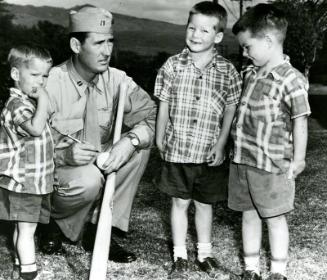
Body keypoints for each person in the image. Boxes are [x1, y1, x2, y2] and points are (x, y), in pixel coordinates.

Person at [39, 6, 157, 263]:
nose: (107, 51)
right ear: (76, 44)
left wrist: (131, 140)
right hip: (62, 170)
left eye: (110, 42)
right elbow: (21, 141)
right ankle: (49, 222)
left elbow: (152, 116)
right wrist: (62, 152)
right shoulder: (49, 83)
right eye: (99, 43)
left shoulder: (118, 81)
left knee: (140, 148)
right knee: (90, 179)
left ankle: (99, 229)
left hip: (98, 160)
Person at [154, 1, 242, 278]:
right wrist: (160, 138)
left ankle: (205, 254)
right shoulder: (172, 66)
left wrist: (221, 144)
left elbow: (230, 110)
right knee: (179, 203)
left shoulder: (228, 71)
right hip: (178, 148)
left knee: (204, 204)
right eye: (191, 28)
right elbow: (164, 105)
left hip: (208, 151)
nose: (195, 35)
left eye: (204, 30)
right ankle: (180, 255)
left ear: (217, 37)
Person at [229, 4, 311, 280]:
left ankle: (277, 272)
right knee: (248, 215)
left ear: (267, 41)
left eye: (247, 46)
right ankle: (250, 270)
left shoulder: (292, 79)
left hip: (272, 164)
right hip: (243, 160)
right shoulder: (250, 75)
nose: (244, 53)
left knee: (274, 218)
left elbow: (300, 120)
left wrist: (298, 159)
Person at [0, 46, 54, 280]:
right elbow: (35, 128)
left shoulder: (26, 102)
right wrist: (44, 99)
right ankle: (28, 274)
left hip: (34, 180)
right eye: (34, 75)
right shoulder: (17, 104)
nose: (40, 82)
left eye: (45, 76)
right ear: (15, 74)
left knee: (22, 228)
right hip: (25, 181)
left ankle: (17, 267)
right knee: (27, 231)